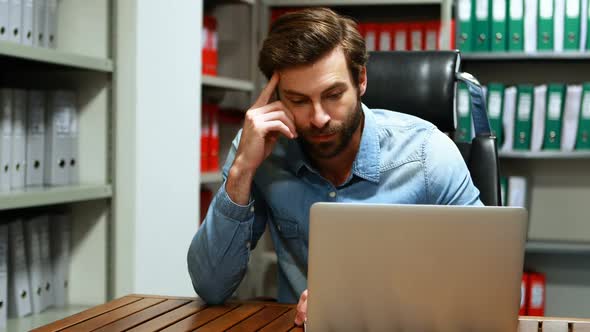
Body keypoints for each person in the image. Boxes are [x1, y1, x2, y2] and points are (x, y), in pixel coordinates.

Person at [187, 7, 482, 326]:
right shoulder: (259, 151)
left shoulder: (428, 154)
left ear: (361, 80)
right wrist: (242, 170)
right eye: (298, 100)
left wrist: (374, 299)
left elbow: (485, 278)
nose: (318, 118)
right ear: (276, 98)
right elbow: (211, 286)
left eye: (333, 95)